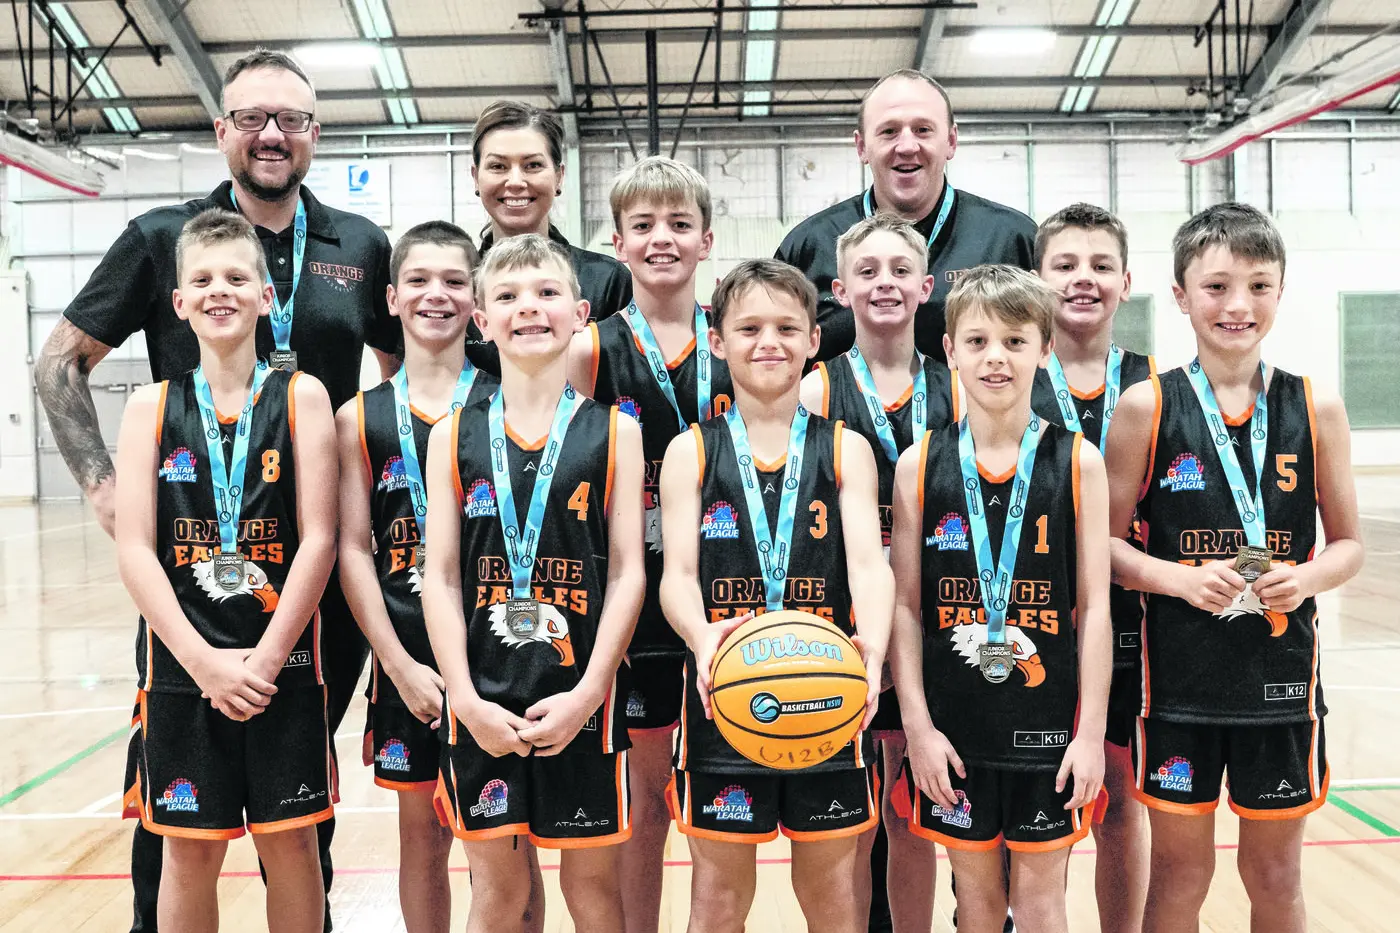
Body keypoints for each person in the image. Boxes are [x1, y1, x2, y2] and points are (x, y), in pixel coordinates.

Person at [34, 48, 399, 932]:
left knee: (301, 801)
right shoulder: (166, 239)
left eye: (291, 120)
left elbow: (402, 375)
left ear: (314, 133)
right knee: (172, 818)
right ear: (221, 127)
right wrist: (105, 489)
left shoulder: (360, 242)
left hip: (314, 579)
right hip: (192, 569)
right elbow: (59, 365)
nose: (271, 135)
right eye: (251, 118)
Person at [1102, 203, 1363, 933]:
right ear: (1181, 295)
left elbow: (1347, 545)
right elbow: (1104, 548)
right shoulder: (1145, 406)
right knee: (1183, 874)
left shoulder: (1318, 405)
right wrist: (1178, 577)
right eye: (1216, 286)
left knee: (1276, 875)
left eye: (1258, 284)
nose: (1238, 304)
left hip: (1281, 685)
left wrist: (1307, 577)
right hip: (1179, 688)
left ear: (1281, 291)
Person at [114, 209, 338, 933]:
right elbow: (136, 549)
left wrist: (267, 658)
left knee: (292, 843)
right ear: (177, 302)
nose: (221, 290)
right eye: (202, 279)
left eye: (238, 277)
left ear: (266, 294)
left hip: (285, 662)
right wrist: (203, 661)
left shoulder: (302, 396)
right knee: (187, 851)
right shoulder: (149, 406)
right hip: (185, 666)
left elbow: (320, 539)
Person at [658, 259, 893, 933]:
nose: (771, 341)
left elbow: (871, 568)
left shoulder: (847, 449)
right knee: (718, 900)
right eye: (751, 326)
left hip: (828, 692)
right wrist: (703, 638)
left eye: (788, 327)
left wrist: (871, 654)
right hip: (723, 695)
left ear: (815, 340)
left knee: (832, 896)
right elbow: (676, 575)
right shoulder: (690, 452)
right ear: (717, 339)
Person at [422, 234, 645, 933]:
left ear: (581, 313)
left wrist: (590, 690)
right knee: (495, 894)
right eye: (509, 296)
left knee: (593, 891)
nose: (530, 308)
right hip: (481, 696)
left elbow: (630, 572)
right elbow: (442, 575)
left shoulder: (617, 431)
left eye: (547, 293)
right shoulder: (451, 434)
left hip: (582, 695)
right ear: (481, 320)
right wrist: (461, 696)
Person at [889, 265, 1111, 933]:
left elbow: (1095, 606)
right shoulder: (918, 462)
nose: (996, 357)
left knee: (1043, 904)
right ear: (950, 349)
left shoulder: (1079, 461)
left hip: (1049, 726)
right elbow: (905, 606)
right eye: (978, 340)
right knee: (976, 899)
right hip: (953, 730)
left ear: (1045, 348)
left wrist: (1091, 734)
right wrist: (919, 730)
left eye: (1015, 341)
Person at [565, 155, 732, 933]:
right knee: (642, 801)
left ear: (706, 240)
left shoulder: (739, 341)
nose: (660, 239)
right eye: (643, 226)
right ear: (617, 242)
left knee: (716, 799)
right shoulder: (590, 350)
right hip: (627, 598)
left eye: (678, 225)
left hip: (725, 591)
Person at [336, 221, 498, 932]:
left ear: (477, 299)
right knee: (421, 837)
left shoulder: (507, 401)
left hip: (498, 656)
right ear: (393, 298)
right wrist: (396, 664)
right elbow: (349, 548)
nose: (438, 295)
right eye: (421, 282)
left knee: (500, 846)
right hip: (408, 661)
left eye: (455, 281)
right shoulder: (358, 417)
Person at [797, 212, 954, 933]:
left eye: (899, 271)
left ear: (927, 286)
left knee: (916, 814)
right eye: (867, 271)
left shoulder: (963, 386)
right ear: (839, 289)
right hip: (850, 633)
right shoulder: (813, 393)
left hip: (939, 625)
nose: (884, 283)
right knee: (852, 822)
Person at [1031, 203, 1154, 933]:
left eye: (1101, 265)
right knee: (1029, 814)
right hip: (1029, 624)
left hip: (1134, 622)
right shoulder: (1004, 371)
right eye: (1065, 265)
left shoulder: (1158, 386)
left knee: (1122, 804)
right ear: (1038, 280)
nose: (1083, 280)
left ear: (1127, 281)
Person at [776, 69, 1035, 364]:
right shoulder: (809, 246)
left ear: (951, 141)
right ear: (861, 147)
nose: (908, 146)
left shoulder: (1012, 239)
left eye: (923, 130)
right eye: (889, 131)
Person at [466, 100, 633, 372]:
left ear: (559, 176)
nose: (516, 181)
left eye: (532, 165)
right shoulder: (455, 284)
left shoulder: (606, 281)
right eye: (498, 166)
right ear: (476, 177)